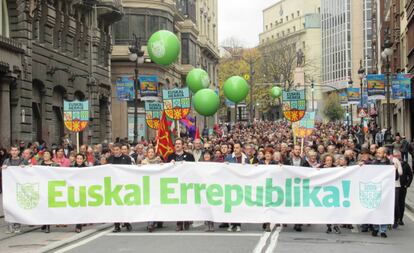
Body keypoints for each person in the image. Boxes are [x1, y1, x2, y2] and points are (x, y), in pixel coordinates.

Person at [167, 138, 195, 232]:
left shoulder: (190, 156)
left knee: (186, 202)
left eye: (179, 143)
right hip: (175, 183)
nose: (177, 145)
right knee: (178, 204)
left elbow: (194, 169)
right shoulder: (170, 156)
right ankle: (179, 223)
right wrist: (170, 165)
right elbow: (166, 170)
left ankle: (186, 220)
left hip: (186, 183)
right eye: (176, 144)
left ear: (183, 145)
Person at [108, 143, 133, 233]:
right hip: (114, 186)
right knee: (115, 206)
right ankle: (117, 225)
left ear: (120, 150)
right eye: (114, 150)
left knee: (124, 205)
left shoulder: (127, 158)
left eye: (117, 150)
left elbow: (130, 170)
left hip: (124, 185)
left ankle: (127, 222)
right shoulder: (110, 159)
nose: (116, 152)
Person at [2, 145, 26, 233]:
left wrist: (25, 168)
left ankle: (17, 226)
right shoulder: (6, 161)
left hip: (19, 188)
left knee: (17, 207)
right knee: (8, 207)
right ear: (10, 152)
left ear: (19, 151)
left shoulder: (23, 160)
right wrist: (3, 169)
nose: (14, 152)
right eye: (13, 150)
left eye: (16, 150)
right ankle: (10, 226)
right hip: (9, 189)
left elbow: (28, 171)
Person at [225, 142, 248, 232]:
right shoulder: (229, 157)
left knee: (238, 205)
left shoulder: (245, 158)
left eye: (237, 148)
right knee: (231, 205)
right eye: (234, 148)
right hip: (231, 184)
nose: (235, 149)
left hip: (240, 185)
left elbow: (249, 169)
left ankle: (238, 224)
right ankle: (231, 224)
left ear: (241, 149)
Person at [141, 147, 163, 232]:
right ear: (147, 153)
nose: (150, 153)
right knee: (149, 205)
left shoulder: (158, 161)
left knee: (157, 204)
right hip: (147, 187)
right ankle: (150, 222)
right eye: (149, 152)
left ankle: (158, 220)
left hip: (157, 186)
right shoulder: (144, 162)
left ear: (154, 153)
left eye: (152, 152)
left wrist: (162, 164)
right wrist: (139, 167)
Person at [40, 150, 59, 233]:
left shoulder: (55, 165)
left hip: (51, 187)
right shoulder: (39, 164)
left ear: (51, 156)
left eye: (47, 154)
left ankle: (48, 225)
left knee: (49, 207)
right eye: (44, 154)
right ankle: (45, 222)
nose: (45, 155)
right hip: (42, 187)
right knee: (43, 207)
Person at [395, 150, 412, 226]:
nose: (398, 157)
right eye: (396, 156)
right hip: (395, 186)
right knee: (396, 203)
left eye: (399, 155)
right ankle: (395, 218)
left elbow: (410, 175)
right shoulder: (392, 164)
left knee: (401, 203)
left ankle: (400, 219)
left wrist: (407, 185)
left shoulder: (405, 164)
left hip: (402, 187)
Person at [72, 153, 88, 233]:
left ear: (83, 159)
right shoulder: (71, 168)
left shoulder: (87, 168)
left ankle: (79, 225)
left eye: (80, 159)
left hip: (83, 190)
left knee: (81, 207)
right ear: (75, 159)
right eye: (77, 158)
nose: (79, 160)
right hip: (73, 190)